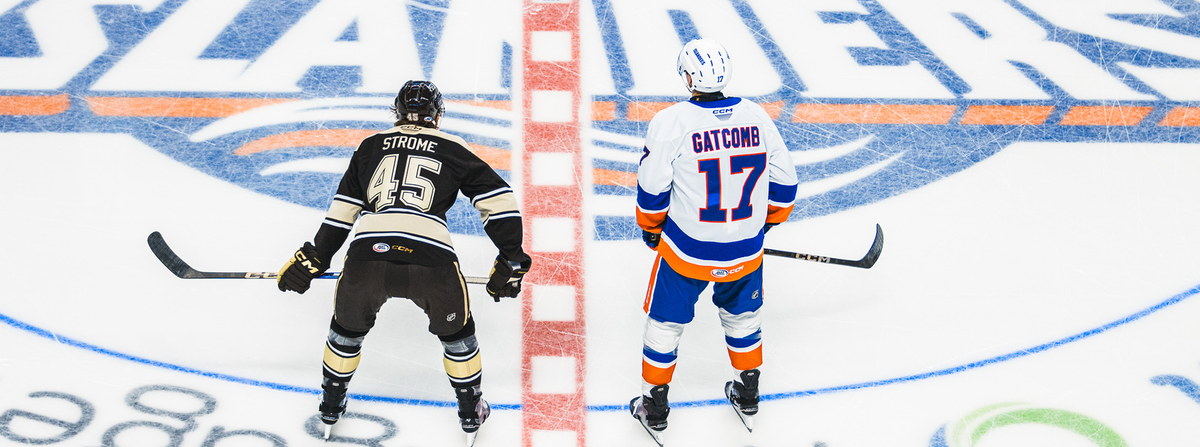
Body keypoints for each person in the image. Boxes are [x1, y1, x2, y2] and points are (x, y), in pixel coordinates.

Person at [276, 80, 531, 444]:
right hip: (432, 260)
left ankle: (331, 403)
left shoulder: (370, 146)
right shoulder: (454, 147)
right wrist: (511, 258)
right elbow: (499, 200)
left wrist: (315, 257)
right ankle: (470, 409)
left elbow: (342, 213)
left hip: (367, 256)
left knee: (345, 331)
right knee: (458, 334)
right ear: (437, 116)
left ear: (395, 114)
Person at [630, 39, 798, 441]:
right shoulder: (757, 116)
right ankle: (749, 391)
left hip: (687, 251)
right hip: (746, 253)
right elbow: (786, 188)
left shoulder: (670, 122)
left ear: (688, 77)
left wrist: (653, 231)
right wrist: (760, 228)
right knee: (743, 319)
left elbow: (652, 196)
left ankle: (654, 405)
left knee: (665, 324)